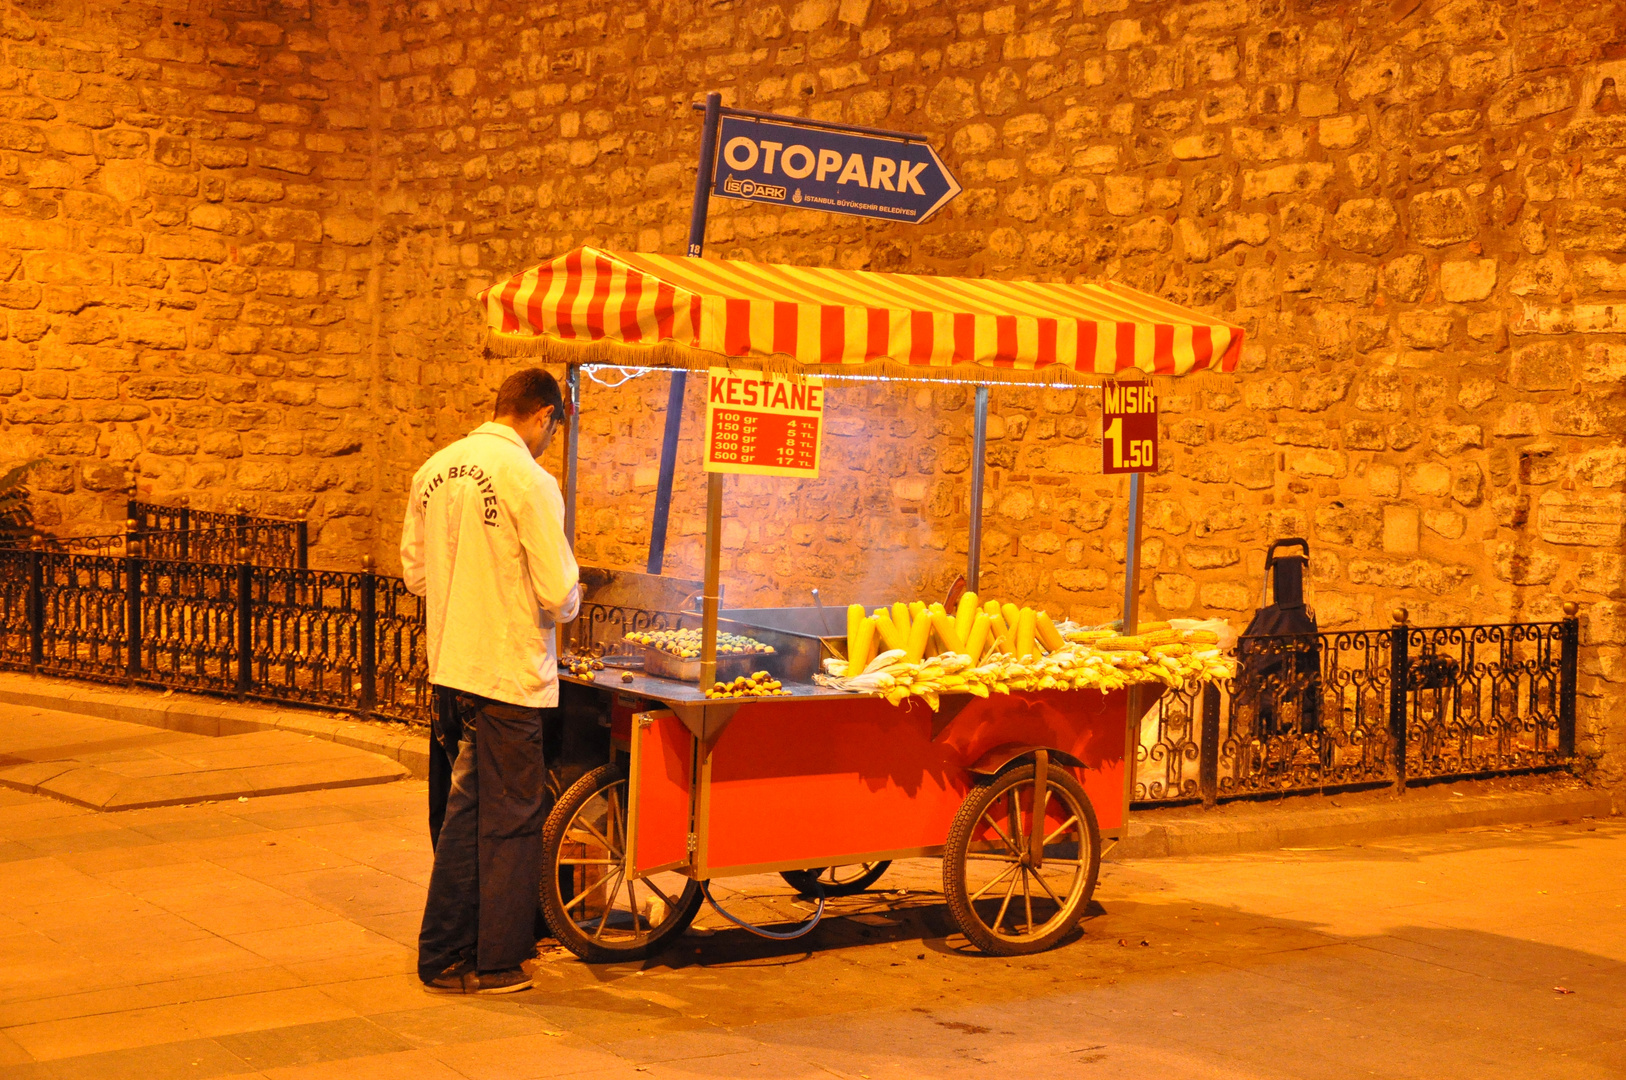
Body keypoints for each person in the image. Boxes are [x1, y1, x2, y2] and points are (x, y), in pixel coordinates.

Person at [401, 368, 580, 995]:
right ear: (543, 417)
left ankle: (444, 953)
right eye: (554, 428)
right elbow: (558, 591)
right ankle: (496, 960)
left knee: (465, 812)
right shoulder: (530, 480)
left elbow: (416, 577)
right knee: (508, 821)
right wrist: (575, 597)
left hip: (451, 667)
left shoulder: (435, 469)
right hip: (505, 670)